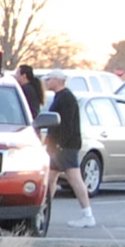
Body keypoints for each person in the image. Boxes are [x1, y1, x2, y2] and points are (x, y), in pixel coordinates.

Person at [42, 72, 95, 228]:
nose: (46, 82)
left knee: (75, 179)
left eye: (49, 79)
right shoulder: (60, 97)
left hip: (65, 147)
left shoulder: (66, 98)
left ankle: (88, 215)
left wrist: (59, 144)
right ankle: (44, 211)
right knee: (50, 179)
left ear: (58, 80)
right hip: (58, 146)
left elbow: (67, 125)